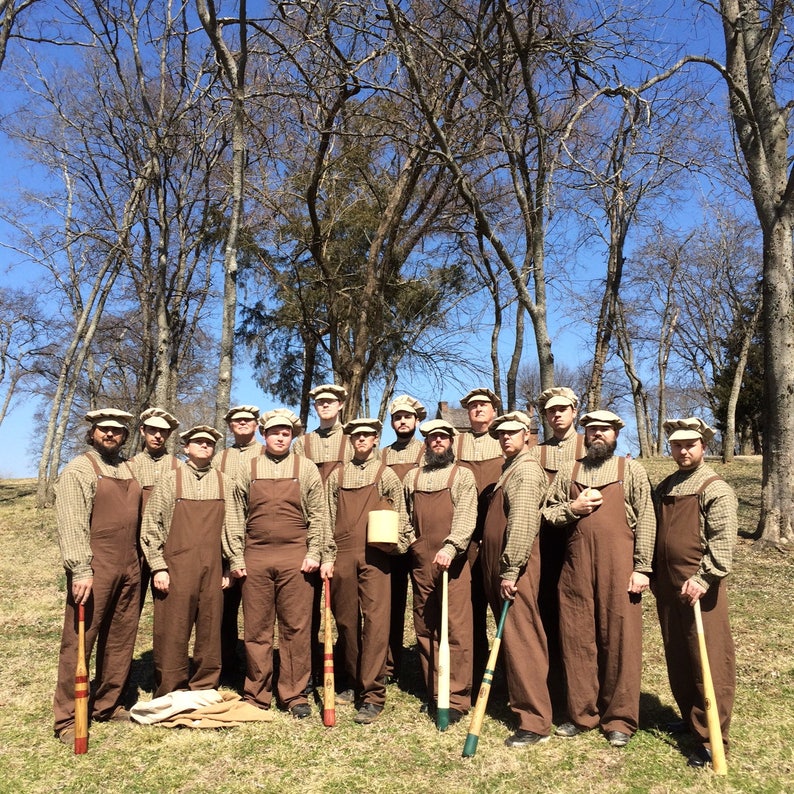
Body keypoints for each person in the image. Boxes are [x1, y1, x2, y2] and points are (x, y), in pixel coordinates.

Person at [542, 410, 655, 748]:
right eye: (591, 430)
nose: (597, 435)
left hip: (619, 569)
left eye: (604, 430)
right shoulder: (570, 470)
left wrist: (642, 567)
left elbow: (647, 518)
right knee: (578, 639)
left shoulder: (629, 469)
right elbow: (547, 512)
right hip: (576, 568)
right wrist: (572, 509)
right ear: (585, 434)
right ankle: (582, 713)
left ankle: (619, 718)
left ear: (616, 434)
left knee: (619, 640)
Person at [233, 409, 334, 719]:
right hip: (256, 556)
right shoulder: (246, 468)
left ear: (293, 436)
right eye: (274, 432)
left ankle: (293, 693)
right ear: (264, 434)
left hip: (296, 556)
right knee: (257, 629)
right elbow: (234, 516)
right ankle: (256, 694)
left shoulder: (305, 469)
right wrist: (236, 556)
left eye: (286, 432)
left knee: (296, 628)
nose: (280, 436)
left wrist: (315, 552)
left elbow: (319, 514)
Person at [52, 408, 142, 745]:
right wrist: (80, 569)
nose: (110, 435)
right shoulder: (79, 469)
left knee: (121, 638)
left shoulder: (128, 469)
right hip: (95, 566)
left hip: (130, 564)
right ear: (92, 433)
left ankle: (108, 703)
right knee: (80, 640)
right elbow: (73, 522)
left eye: (117, 431)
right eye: (104, 430)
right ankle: (66, 718)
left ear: (124, 437)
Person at [653, 417, 737, 768]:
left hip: (700, 586)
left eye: (690, 444)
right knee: (678, 653)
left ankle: (713, 736)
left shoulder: (715, 488)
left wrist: (704, 578)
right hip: (667, 585)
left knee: (709, 660)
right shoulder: (666, 486)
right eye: (677, 445)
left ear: (703, 446)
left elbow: (723, 542)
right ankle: (691, 718)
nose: (683, 450)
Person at [140, 425, 246, 697]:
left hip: (212, 567)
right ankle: (169, 689)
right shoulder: (170, 480)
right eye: (198, 442)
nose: (204, 446)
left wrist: (229, 563)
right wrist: (158, 566)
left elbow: (232, 526)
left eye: (209, 443)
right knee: (172, 629)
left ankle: (204, 688)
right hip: (175, 567)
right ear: (186, 447)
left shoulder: (225, 482)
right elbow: (151, 525)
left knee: (211, 630)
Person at [326, 418, 412, 724]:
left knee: (376, 624)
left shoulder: (385, 475)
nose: (361, 440)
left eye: (367, 436)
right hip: (342, 555)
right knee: (347, 622)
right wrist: (327, 554)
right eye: (356, 436)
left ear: (376, 439)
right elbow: (327, 517)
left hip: (377, 556)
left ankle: (373, 694)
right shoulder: (337, 476)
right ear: (350, 440)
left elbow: (401, 515)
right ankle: (352, 679)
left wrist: (397, 545)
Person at [480, 412, 552, 747]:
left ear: (526, 435)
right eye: (500, 434)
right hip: (500, 566)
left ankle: (534, 721)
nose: (504, 438)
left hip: (515, 569)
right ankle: (519, 702)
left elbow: (523, 522)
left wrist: (510, 569)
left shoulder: (525, 469)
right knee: (510, 637)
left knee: (522, 637)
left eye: (511, 433)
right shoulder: (509, 469)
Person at [403, 419, 477, 725]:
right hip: (422, 561)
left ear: (451, 442)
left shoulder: (462, 476)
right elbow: (403, 516)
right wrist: (412, 542)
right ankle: (436, 692)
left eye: (442, 438)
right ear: (426, 443)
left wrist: (451, 547)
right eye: (432, 438)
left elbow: (466, 516)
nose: (437, 442)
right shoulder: (412, 477)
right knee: (425, 625)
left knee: (456, 629)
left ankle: (457, 697)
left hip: (454, 562)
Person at [528, 387, 583, 708]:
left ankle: (583, 686)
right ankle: (551, 684)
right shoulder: (536, 453)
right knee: (545, 610)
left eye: (563, 409)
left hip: (581, 541)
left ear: (574, 411)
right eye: (551, 411)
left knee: (579, 617)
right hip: (545, 541)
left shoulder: (588, 446)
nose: (557, 414)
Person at [456, 387, 504, 687]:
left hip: (497, 535)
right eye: (472, 406)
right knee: (469, 609)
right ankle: (472, 674)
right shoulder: (457, 443)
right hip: (465, 538)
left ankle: (508, 676)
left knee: (503, 607)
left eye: (483, 405)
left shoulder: (505, 441)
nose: (478, 410)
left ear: (494, 410)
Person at [212, 404, 263, 682]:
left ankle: (259, 668)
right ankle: (226, 664)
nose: (242, 424)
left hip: (258, 539)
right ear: (230, 426)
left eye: (247, 420)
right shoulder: (220, 457)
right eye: (236, 421)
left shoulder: (267, 453)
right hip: (223, 539)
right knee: (224, 609)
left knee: (258, 610)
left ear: (256, 424)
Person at [380, 394, 427, 683]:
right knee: (389, 603)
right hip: (390, 538)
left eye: (407, 417)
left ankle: (426, 671)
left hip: (421, 536)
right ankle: (387, 666)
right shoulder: (381, 455)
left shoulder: (427, 451)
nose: (402, 421)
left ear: (417, 421)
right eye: (397, 417)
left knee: (424, 605)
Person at [130, 407, 181, 610]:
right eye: (152, 430)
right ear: (143, 430)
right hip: (135, 548)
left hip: (170, 546)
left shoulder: (180, 468)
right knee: (130, 606)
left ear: (169, 434)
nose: (158, 436)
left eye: (163, 432)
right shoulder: (129, 466)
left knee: (170, 606)